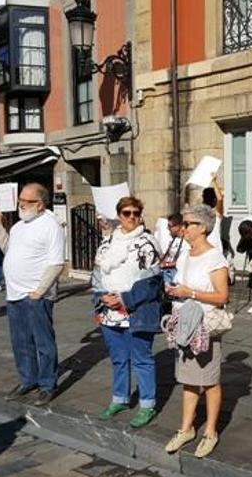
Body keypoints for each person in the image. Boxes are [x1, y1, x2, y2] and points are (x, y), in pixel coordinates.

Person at [163, 204, 230, 459]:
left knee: (210, 381)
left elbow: (222, 296)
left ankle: (210, 431)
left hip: (205, 326)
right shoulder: (185, 253)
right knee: (188, 380)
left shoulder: (215, 258)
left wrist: (189, 292)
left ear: (202, 228)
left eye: (188, 223)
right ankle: (186, 428)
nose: (183, 227)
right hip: (185, 325)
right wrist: (176, 289)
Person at [0, 183, 65, 407]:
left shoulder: (50, 225)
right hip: (14, 294)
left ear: (40, 204)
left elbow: (56, 263)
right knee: (21, 342)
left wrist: (39, 292)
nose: (20, 204)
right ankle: (27, 379)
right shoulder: (19, 226)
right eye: (20, 200)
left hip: (35, 295)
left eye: (25, 200)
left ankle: (47, 384)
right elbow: (8, 250)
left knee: (43, 342)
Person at [91, 197, 163, 428]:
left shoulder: (148, 243)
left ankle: (147, 405)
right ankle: (120, 399)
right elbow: (97, 273)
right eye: (126, 213)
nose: (131, 217)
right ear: (119, 214)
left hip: (136, 311)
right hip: (109, 312)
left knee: (142, 360)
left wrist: (123, 298)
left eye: (135, 213)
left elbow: (152, 282)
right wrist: (101, 295)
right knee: (118, 359)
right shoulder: (107, 242)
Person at [159, 213, 189, 285]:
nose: (167, 228)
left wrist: (165, 265)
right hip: (166, 273)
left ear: (178, 226)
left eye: (170, 226)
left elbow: (183, 262)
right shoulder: (173, 239)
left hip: (177, 275)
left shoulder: (186, 242)